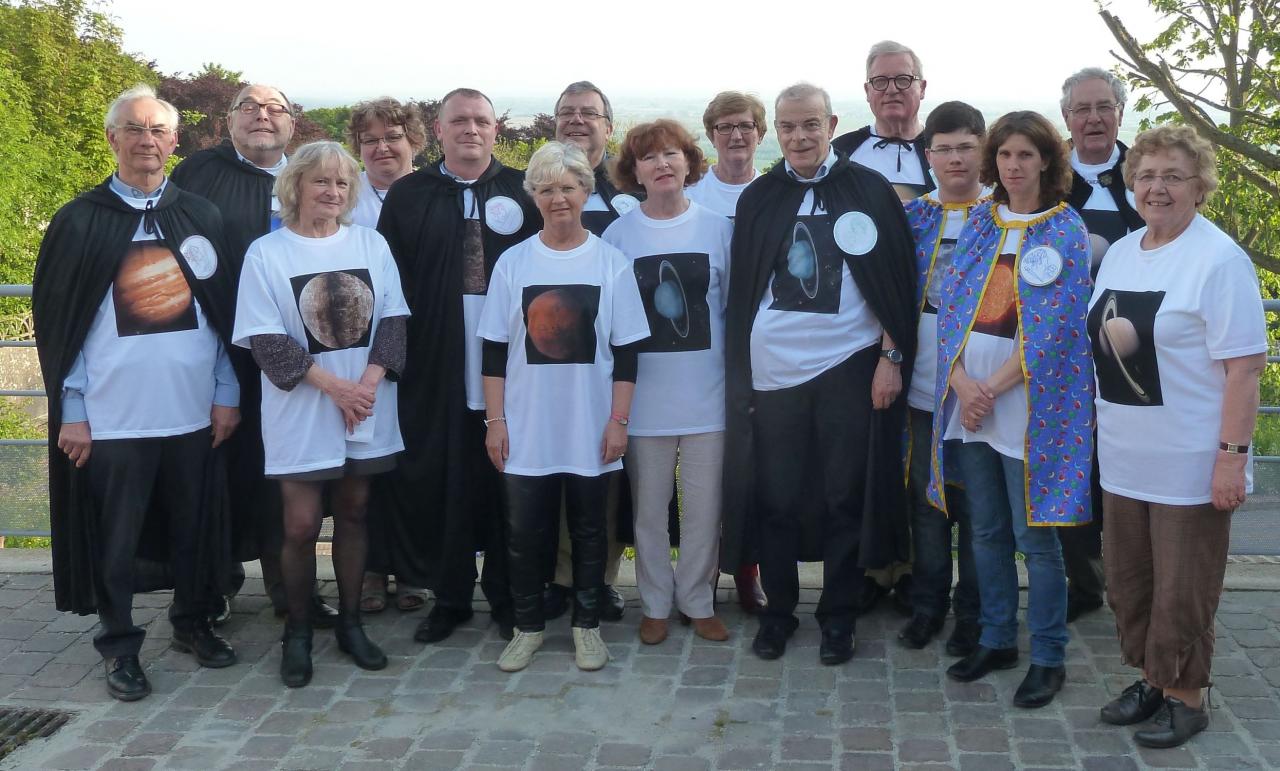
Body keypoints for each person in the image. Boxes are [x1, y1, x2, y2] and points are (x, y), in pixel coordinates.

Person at [34, 84, 242, 701]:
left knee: (194, 529)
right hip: (112, 418)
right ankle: (120, 645)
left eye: (157, 130)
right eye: (133, 128)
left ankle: (194, 622)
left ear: (174, 142)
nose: (146, 140)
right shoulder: (80, 221)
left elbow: (224, 316)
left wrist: (227, 392)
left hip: (192, 413)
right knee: (115, 540)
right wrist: (71, 411)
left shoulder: (200, 216)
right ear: (112, 139)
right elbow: (59, 325)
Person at [723, 83, 916, 665]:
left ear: (832, 123)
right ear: (775, 132)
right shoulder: (760, 197)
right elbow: (744, 285)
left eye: (811, 124)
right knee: (777, 496)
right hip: (773, 371)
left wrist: (890, 357)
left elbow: (896, 281)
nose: (800, 136)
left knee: (843, 496)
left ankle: (838, 615)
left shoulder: (868, 189)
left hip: (848, 366)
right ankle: (779, 613)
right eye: (788, 127)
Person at [1089, 125, 1265, 748]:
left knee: (1182, 587)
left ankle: (1187, 697)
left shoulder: (1219, 260)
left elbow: (1244, 369)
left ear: (1199, 187)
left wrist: (1230, 460)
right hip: (1123, 455)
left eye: (1173, 176)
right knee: (1130, 581)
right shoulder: (1123, 252)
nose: (1157, 187)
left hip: (1191, 459)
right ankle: (1151, 679)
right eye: (1146, 175)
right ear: (1131, 183)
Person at [931, 112, 1093, 710]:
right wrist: (959, 382)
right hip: (969, 397)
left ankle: (1048, 656)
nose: (1014, 166)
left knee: (1037, 538)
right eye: (1004, 155)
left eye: (1026, 155)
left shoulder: (1065, 229)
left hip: (1026, 404)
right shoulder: (980, 221)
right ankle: (998, 638)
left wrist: (988, 389)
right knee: (986, 528)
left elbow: (1053, 330)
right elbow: (952, 311)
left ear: (1046, 161)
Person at [233, 141, 409, 688]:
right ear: (296, 187)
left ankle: (352, 624)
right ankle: (300, 630)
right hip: (302, 406)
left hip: (366, 401)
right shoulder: (267, 254)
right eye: (320, 182)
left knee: (355, 512)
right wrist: (334, 388)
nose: (332, 192)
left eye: (341, 184)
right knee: (301, 524)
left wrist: (367, 385)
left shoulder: (370, 243)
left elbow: (394, 319)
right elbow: (264, 338)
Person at [372, 88, 540, 645]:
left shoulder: (524, 190)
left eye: (482, 121)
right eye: (459, 121)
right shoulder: (409, 195)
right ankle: (449, 596)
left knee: (505, 483)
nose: (471, 129)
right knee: (446, 483)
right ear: (438, 131)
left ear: (496, 130)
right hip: (436, 364)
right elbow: (389, 287)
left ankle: (509, 595)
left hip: (512, 366)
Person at [478, 141, 649, 672]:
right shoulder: (513, 262)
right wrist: (495, 421)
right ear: (532, 196)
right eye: (546, 189)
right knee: (525, 533)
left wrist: (619, 422)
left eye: (568, 188)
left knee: (591, 532)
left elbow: (626, 354)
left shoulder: (610, 262)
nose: (558, 199)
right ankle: (528, 628)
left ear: (586, 192)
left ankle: (587, 627)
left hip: (591, 424)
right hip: (526, 426)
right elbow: (492, 350)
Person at [171, 83, 337, 627]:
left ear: (292, 125)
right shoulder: (198, 174)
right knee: (217, 469)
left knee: (287, 473)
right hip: (223, 354)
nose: (263, 116)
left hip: (300, 363)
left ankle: (291, 591)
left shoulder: (310, 178)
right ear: (229, 121)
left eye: (276, 109)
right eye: (250, 107)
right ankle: (208, 591)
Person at [602, 120, 734, 645]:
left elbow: (731, 310)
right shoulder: (618, 236)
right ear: (634, 171)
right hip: (643, 401)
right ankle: (655, 603)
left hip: (709, 394)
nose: (661, 164)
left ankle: (698, 600)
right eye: (649, 157)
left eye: (671, 154)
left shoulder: (718, 228)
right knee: (649, 510)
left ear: (688, 161)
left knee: (704, 509)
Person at [542, 81, 638, 622]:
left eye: (589, 114)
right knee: (554, 467)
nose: (577, 121)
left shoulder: (631, 196)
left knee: (608, 475)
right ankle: (557, 576)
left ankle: (601, 577)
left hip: (614, 360)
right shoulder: (541, 190)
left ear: (608, 126)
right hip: (552, 356)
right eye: (567, 113)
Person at [898, 101, 987, 655]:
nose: (954, 158)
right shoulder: (914, 218)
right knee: (926, 508)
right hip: (923, 387)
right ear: (928, 155)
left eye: (965, 147)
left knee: (979, 508)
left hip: (982, 394)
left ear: (983, 150)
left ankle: (974, 613)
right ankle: (927, 605)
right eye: (944, 148)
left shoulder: (1001, 214)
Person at [1059, 67, 1146, 623]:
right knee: (1070, 465)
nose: (1093, 118)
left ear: (1120, 111)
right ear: (1065, 117)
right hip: (1060, 348)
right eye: (1081, 109)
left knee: (1127, 464)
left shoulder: (1147, 171)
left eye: (1103, 107)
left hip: (1136, 347)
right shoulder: (1047, 174)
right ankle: (1083, 583)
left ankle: (1135, 584)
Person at [341, 97, 430, 613]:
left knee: (412, 463)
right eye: (370, 140)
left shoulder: (428, 195)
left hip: (421, 347)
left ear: (414, 142)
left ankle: (413, 570)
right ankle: (372, 569)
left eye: (392, 137)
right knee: (367, 466)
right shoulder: (346, 200)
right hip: (357, 355)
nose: (381, 147)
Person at [833, 40, 935, 203]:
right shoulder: (840, 153)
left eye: (903, 79)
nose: (892, 89)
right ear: (867, 91)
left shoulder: (943, 151)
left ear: (922, 88)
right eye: (880, 81)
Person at [687, 91, 766, 219]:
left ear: (760, 134)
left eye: (745, 126)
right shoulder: (689, 191)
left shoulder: (772, 194)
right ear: (711, 137)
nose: (736, 136)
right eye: (725, 127)